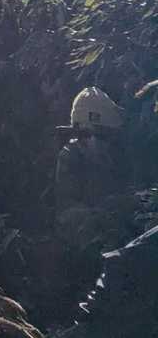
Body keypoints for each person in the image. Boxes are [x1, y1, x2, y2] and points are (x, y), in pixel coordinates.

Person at [54, 86, 132, 260]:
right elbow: (67, 212)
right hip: (86, 250)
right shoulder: (71, 158)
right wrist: (103, 215)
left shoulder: (116, 157)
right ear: (85, 135)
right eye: (104, 136)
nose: (109, 144)